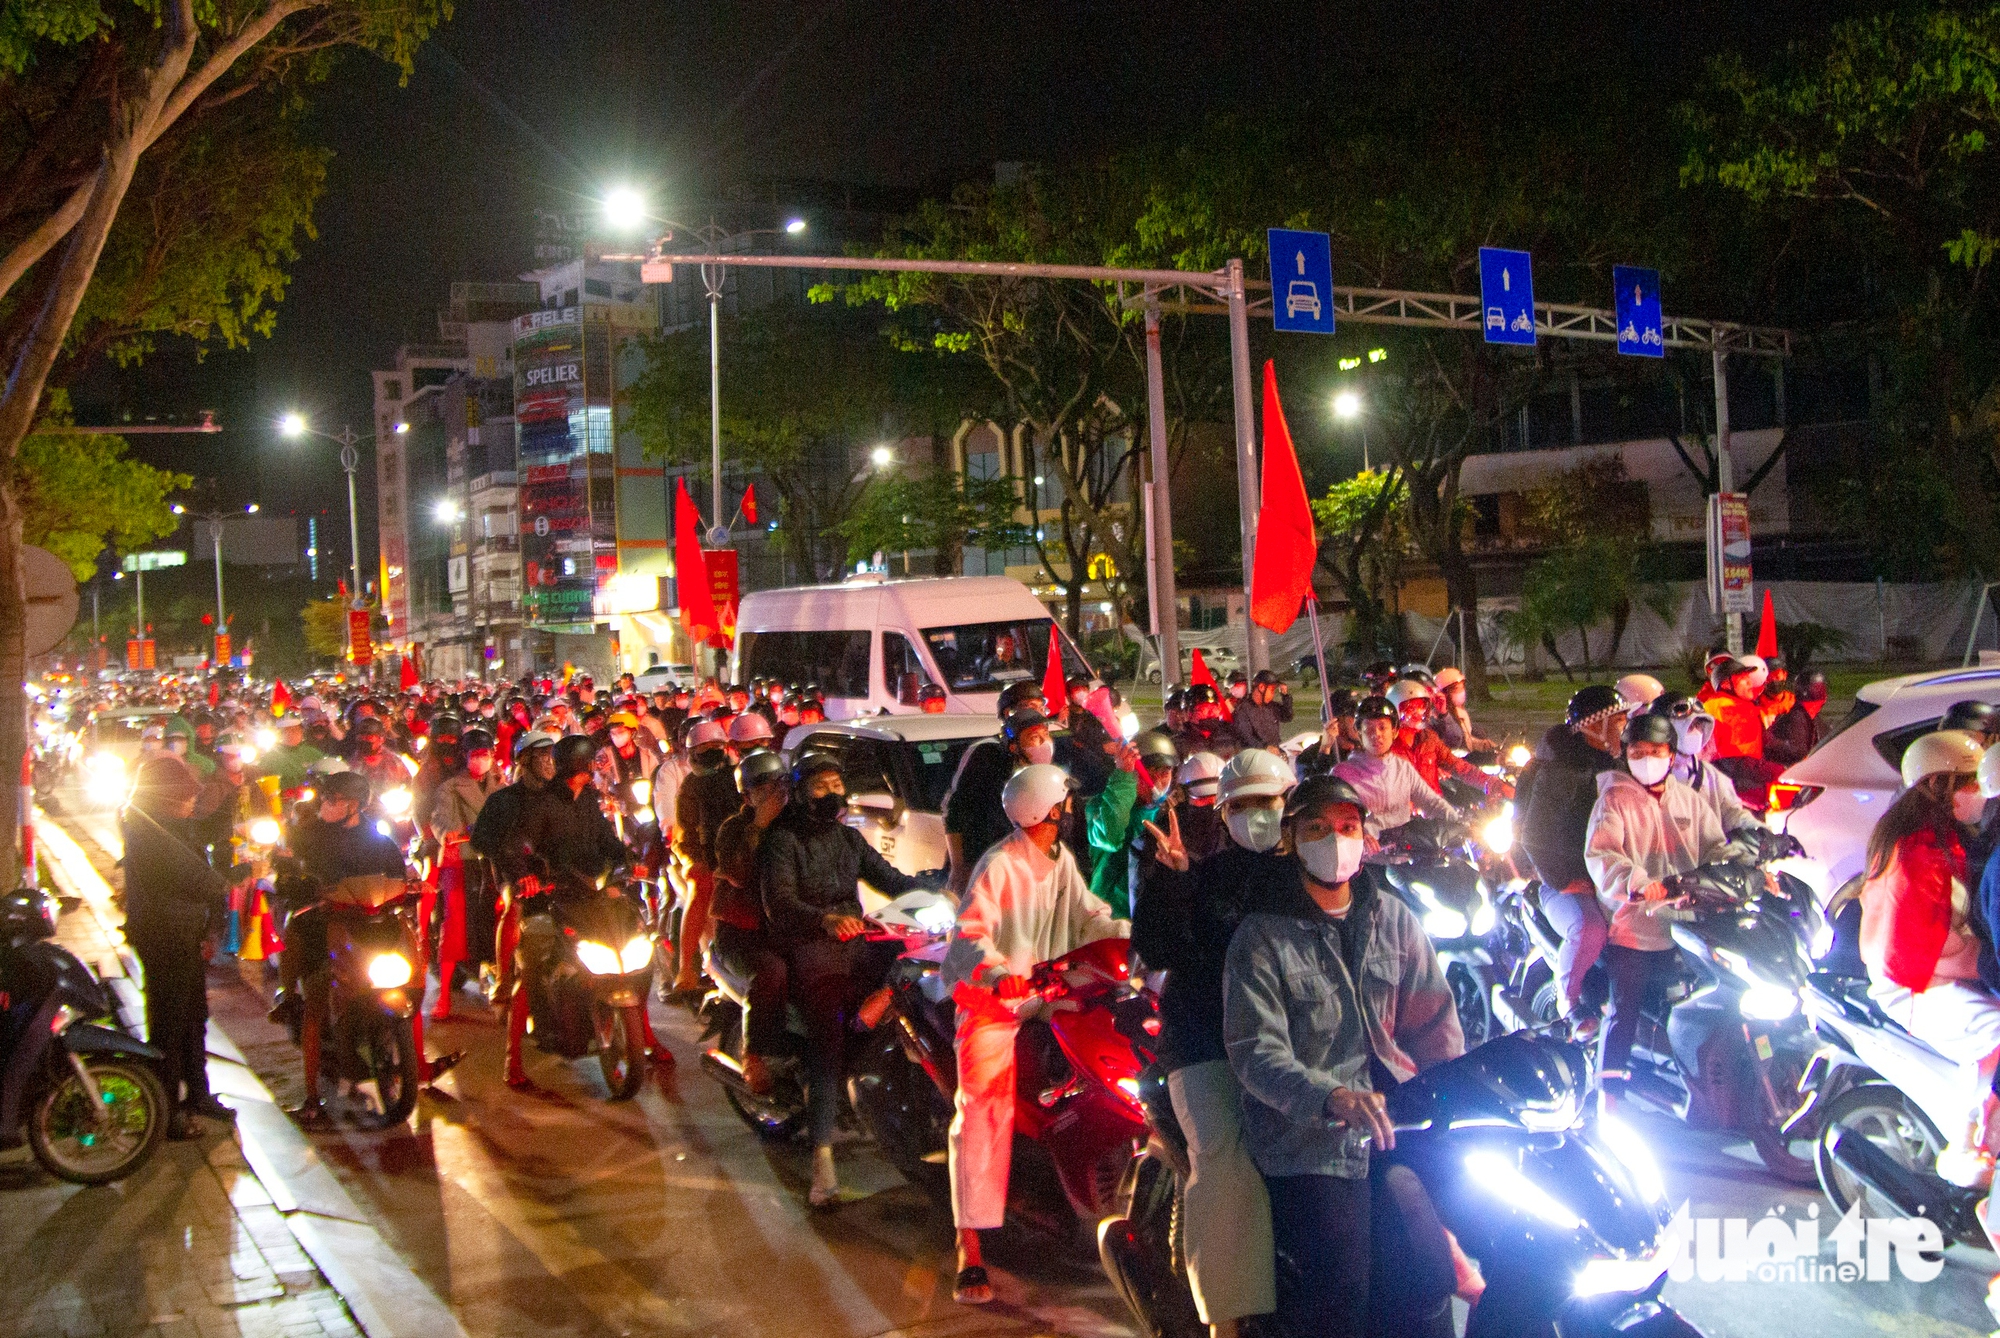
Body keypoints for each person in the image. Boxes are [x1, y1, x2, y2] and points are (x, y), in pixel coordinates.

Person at [943, 763, 1125, 1303]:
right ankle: (969, 1245)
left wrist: (1128, 935)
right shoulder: (999, 864)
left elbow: (1088, 914)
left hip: (1046, 994)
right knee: (982, 1109)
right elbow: (968, 933)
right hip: (994, 1005)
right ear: (1046, 810)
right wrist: (999, 972)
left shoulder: (1059, 859)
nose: (1070, 812)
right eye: (1064, 805)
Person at [1131, 749, 1297, 1336]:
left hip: (1299, 1050)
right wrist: (1171, 880)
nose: (1258, 816)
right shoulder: (1196, 876)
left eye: (1269, 803)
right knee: (1225, 1164)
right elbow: (1158, 948)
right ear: (1224, 814)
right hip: (1208, 1044)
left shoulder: (1321, 876)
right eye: (1244, 806)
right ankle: (1224, 1324)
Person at [1219, 776, 1388, 1338]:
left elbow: (1437, 1020)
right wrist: (1332, 1097)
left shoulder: (1390, 917)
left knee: (1432, 1261)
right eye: (1317, 829)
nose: (1335, 840)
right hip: (1307, 1142)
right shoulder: (1261, 936)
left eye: (1347, 827)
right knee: (1339, 1281)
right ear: (1290, 839)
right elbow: (1256, 1051)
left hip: (1396, 1129)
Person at [760, 751, 934, 1206]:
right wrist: (825, 921)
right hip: (811, 945)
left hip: (859, 939)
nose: (832, 793)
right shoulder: (781, 840)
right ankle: (822, 1164)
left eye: (836, 783)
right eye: (820, 785)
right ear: (799, 790)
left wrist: (939, 886)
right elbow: (780, 902)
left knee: (918, 981)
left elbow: (891, 879)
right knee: (829, 1042)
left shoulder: (848, 838)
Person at [1585, 711, 1730, 1105]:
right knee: (1624, 1005)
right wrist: (1639, 884)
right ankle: (1608, 1093)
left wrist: (1742, 867)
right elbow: (1603, 854)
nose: (1646, 758)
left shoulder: (1689, 799)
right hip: (1635, 924)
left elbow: (1716, 845)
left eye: (1656, 750)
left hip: (1688, 920)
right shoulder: (1614, 800)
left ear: (1671, 754)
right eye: (1638, 751)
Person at [489, 734, 641, 1088]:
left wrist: (628, 859)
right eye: (590, 766)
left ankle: (641, 1035)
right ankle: (513, 1057)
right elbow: (515, 845)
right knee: (535, 964)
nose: (593, 772)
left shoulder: (588, 800)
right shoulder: (541, 804)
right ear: (580, 767)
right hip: (549, 895)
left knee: (629, 946)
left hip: (589, 892)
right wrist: (525, 876)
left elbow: (605, 838)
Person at [271, 770, 409, 1125]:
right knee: (315, 998)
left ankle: (413, 1063)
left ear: (355, 805)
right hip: (323, 925)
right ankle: (312, 1096)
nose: (327, 806)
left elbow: (399, 874)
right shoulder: (310, 835)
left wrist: (414, 886)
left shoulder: (378, 838)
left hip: (372, 926)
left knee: (412, 973)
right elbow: (286, 865)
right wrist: (293, 880)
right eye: (326, 799)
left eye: (334, 800)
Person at [122, 754, 231, 1138]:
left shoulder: (168, 826)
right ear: (167, 798)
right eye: (186, 799)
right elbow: (193, 876)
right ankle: (165, 1112)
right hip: (165, 934)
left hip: (182, 930)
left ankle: (197, 1093)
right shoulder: (150, 830)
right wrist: (228, 878)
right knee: (169, 1024)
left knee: (193, 1017)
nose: (191, 806)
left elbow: (203, 838)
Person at [1516, 685, 1627, 1034]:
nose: (1625, 727)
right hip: (1561, 882)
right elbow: (1534, 835)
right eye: (1618, 720)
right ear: (1595, 725)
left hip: (1612, 875)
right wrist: (1564, 880)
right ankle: (1570, 1002)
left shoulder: (1620, 765)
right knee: (1590, 929)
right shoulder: (1560, 771)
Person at [711, 748, 792, 1096]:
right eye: (763, 787)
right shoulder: (735, 829)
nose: (774, 793)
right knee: (771, 970)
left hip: (790, 928)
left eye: (779, 784)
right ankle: (753, 1054)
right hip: (743, 935)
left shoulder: (796, 826)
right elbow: (738, 873)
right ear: (747, 795)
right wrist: (760, 824)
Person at [425, 727, 504, 1021]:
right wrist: (452, 833)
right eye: (475, 755)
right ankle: (444, 993)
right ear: (465, 757)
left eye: (486, 754)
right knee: (455, 922)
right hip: (463, 860)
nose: (481, 760)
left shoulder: (501, 784)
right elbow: (440, 819)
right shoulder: (449, 788)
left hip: (495, 860)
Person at [671, 719, 740, 995]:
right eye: (705, 747)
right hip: (699, 855)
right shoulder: (690, 787)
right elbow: (684, 834)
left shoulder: (735, 777)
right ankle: (685, 967)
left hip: (733, 853)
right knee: (702, 886)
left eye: (716, 746)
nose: (712, 751)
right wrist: (698, 860)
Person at [1332, 696, 1458, 838]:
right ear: (1359, 732)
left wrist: (1457, 821)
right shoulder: (1342, 775)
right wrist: (1361, 833)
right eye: (1369, 729)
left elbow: (1431, 802)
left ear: (1394, 731)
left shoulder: (1403, 768)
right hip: (1366, 854)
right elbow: (1336, 819)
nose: (1377, 735)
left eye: (1382, 727)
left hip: (1407, 851)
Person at [1386, 680, 1504, 799]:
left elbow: (1460, 767)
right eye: (1411, 708)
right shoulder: (1385, 747)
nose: (1418, 712)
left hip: (1436, 809)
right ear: (1395, 710)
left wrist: (1495, 785)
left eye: (1422, 706)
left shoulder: (1429, 739)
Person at [1427, 667, 1494, 755]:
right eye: (1457, 689)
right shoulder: (1434, 717)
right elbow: (1455, 741)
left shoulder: (1460, 712)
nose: (1461, 692)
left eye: (1462, 687)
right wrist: (1444, 715)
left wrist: (1483, 744)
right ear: (1444, 693)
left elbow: (1466, 739)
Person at [1231, 670, 1295, 751]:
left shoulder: (1271, 707)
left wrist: (1285, 696)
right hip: (1256, 757)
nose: (1273, 694)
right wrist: (1265, 747)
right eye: (1271, 690)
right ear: (1261, 687)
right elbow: (1246, 737)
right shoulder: (1243, 710)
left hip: (1274, 753)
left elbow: (1287, 717)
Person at [260, 716, 326, 791]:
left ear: (301, 732)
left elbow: (324, 777)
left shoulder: (313, 753)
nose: (291, 734)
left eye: (295, 730)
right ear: (280, 734)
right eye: (286, 731)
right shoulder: (270, 758)